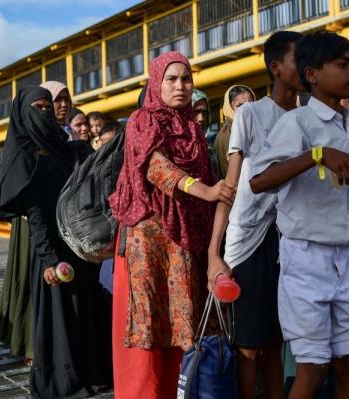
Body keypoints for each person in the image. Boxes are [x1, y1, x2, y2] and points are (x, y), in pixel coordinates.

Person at [249, 31, 349, 399]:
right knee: (313, 366)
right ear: (313, 74)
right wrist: (316, 155)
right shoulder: (297, 124)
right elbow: (259, 181)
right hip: (307, 259)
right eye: (343, 65)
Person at [109, 51, 235, 399]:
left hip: (185, 240)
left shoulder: (193, 127)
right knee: (150, 325)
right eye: (172, 79)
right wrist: (203, 190)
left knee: (184, 322)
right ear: (156, 82)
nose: (180, 86)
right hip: (148, 239)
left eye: (186, 78)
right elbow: (155, 166)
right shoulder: (142, 119)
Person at [0, 86, 110, 398]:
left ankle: (89, 372)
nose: (46, 112)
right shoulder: (26, 153)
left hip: (77, 245)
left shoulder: (63, 145)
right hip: (51, 252)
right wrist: (47, 259)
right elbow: (35, 216)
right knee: (58, 319)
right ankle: (61, 381)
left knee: (82, 311)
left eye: (50, 106)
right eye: (39, 106)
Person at [207, 31, 304, 399]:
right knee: (248, 344)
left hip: (290, 237)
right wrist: (215, 252)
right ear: (276, 68)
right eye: (300, 58)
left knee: (278, 339)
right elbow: (231, 185)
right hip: (250, 237)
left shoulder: (308, 116)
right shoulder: (251, 113)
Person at [214, 85, 256, 178]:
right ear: (229, 108)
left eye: (251, 104)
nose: (246, 110)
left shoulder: (258, 128)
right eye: (240, 106)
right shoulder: (224, 136)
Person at [192, 89, 222, 179]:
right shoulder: (179, 146)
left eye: (205, 112)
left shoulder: (208, 144)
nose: (201, 118)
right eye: (196, 112)